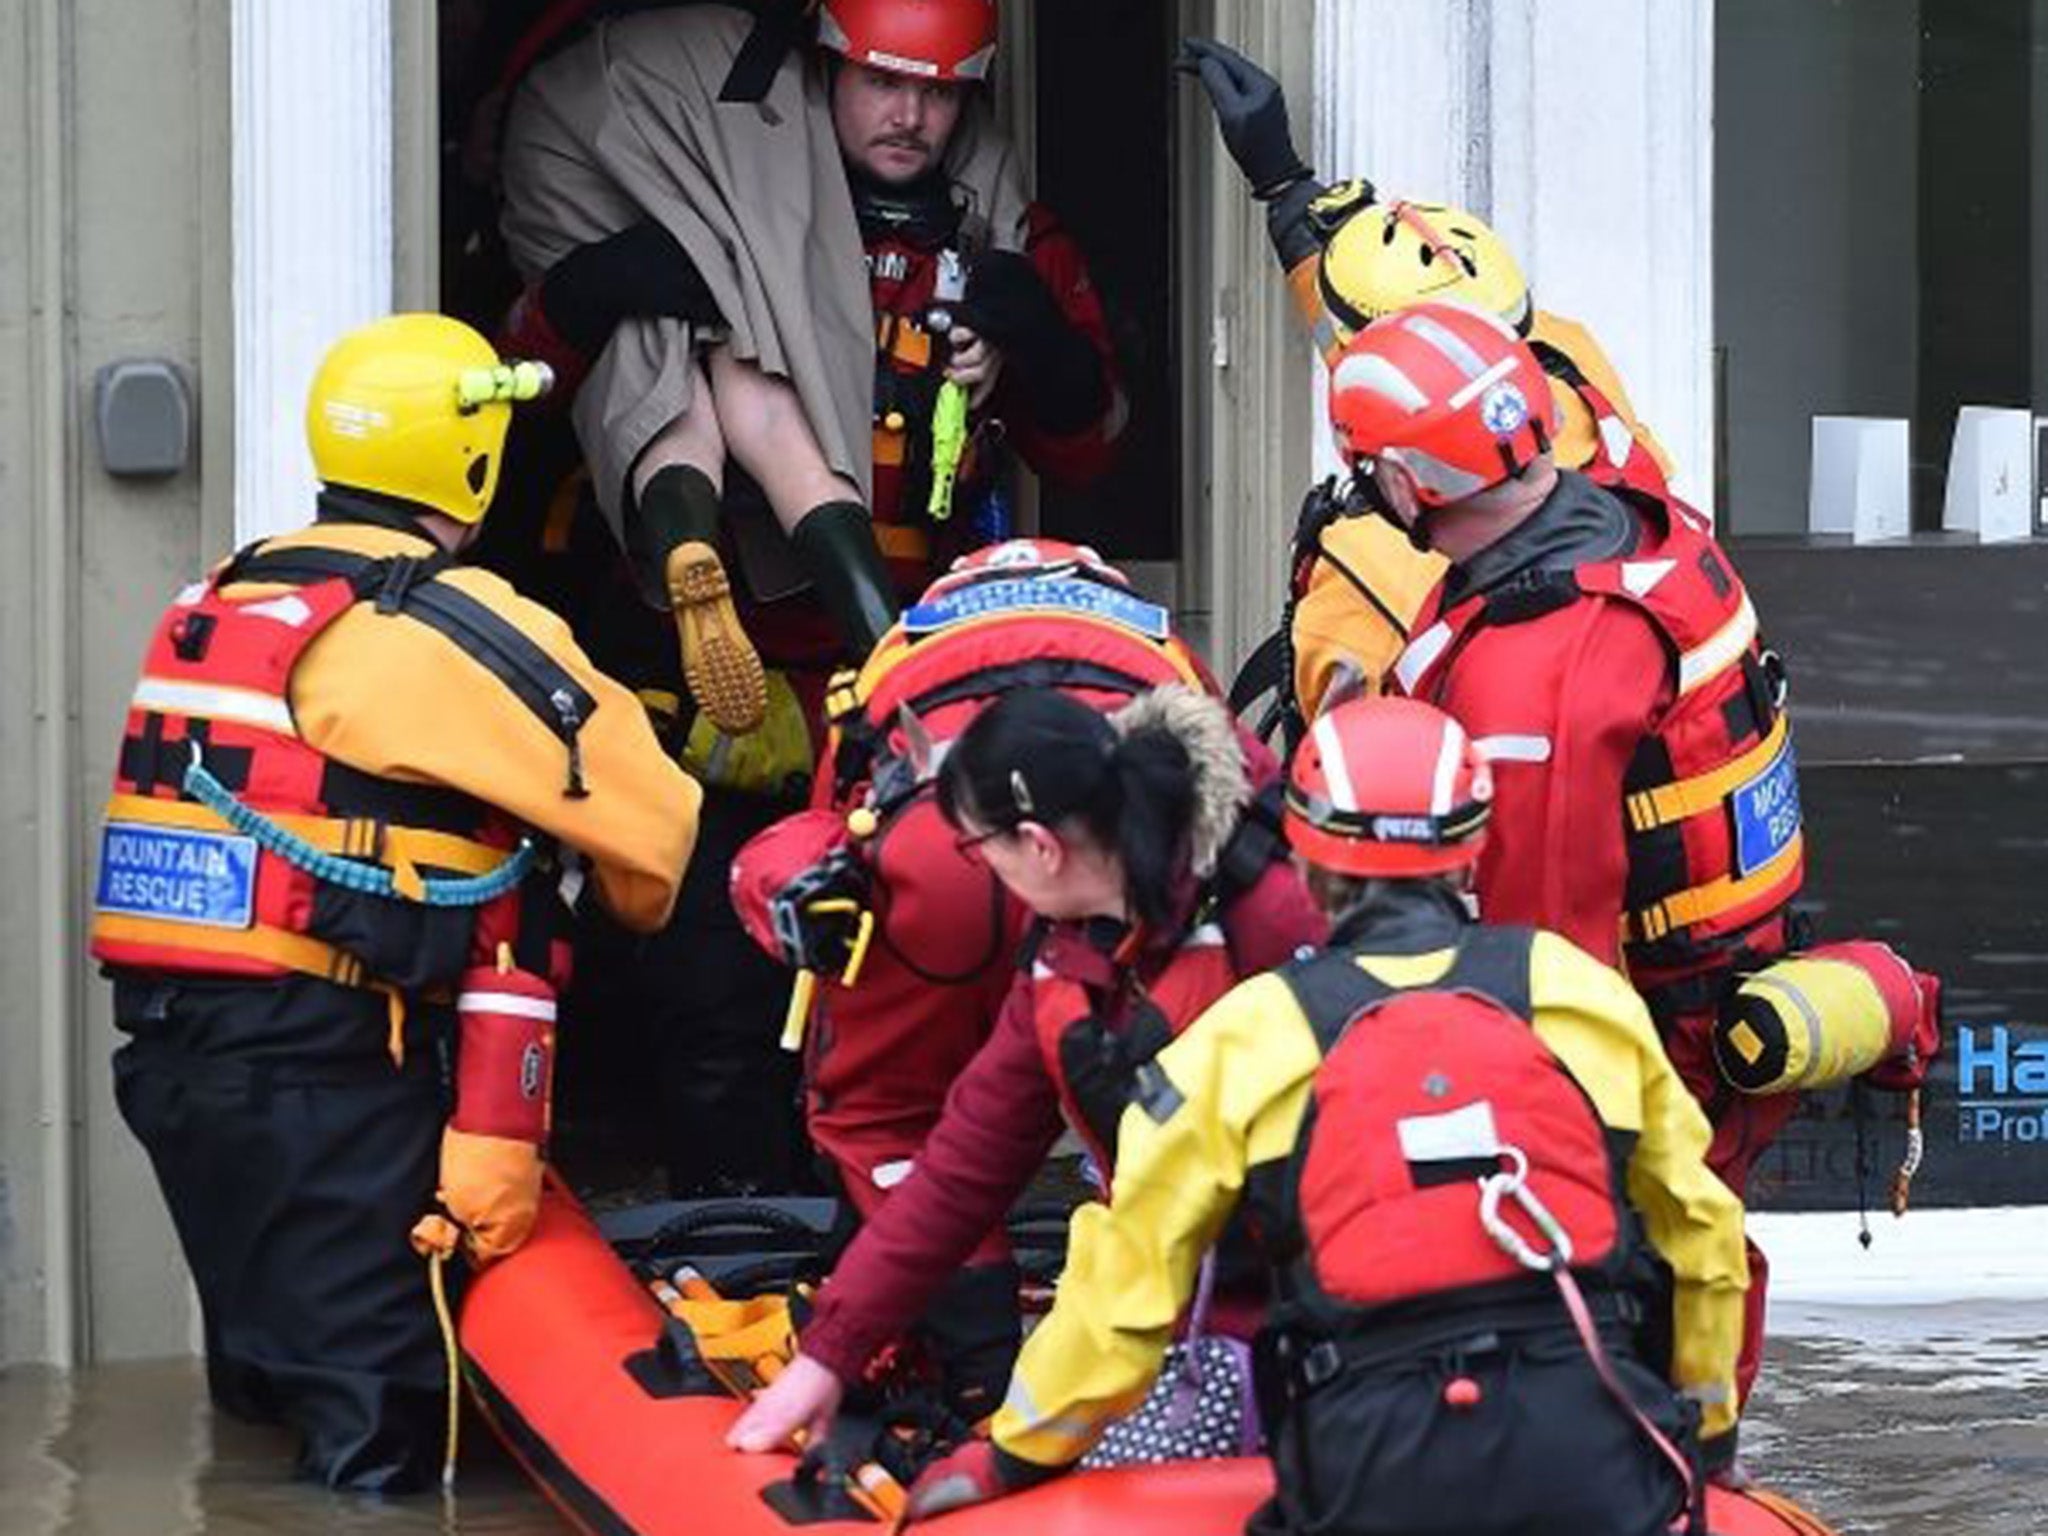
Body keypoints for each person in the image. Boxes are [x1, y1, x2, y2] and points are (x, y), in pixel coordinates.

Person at [879, 694, 1748, 1533]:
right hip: (1589, 1461)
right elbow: (1702, 1237)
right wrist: (1708, 1442)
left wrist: (1010, 1456)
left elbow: (1125, 1295)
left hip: (1366, 1471)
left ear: (1304, 850)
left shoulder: (1246, 1039)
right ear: (1474, 846)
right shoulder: (1580, 997)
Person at [89, 314, 699, 1492]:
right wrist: (616, 908)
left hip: (173, 1068)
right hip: (331, 1079)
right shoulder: (443, 627)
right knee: (384, 1443)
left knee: (264, 1402)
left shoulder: (219, 594)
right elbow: (655, 832)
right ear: (473, 463)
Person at [1323, 298, 1801, 1402]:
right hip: (1708, 988)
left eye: (1369, 474)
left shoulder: (1534, 671)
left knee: (1636, 1283)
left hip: (1642, 1044)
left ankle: (1668, 1464)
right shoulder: (1637, 517)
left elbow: (1538, 963)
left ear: (1404, 487)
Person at [727, 678, 1323, 1452]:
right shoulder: (1067, 963)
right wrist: (830, 1355)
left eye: (979, 850)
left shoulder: (1277, 921)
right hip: (1178, 1324)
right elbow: (963, 1163)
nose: (981, 872)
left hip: (1326, 1327)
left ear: (1039, 846)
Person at [498, 0, 1122, 735]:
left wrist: (1041, 338)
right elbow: (518, 400)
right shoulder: (718, 191)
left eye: (940, 92)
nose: (910, 116)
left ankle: (887, 657)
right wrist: (585, 294)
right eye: (882, 84)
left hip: (913, 621)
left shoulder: (1001, 236)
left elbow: (1088, 454)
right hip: (694, 657)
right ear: (826, 65)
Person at [1179, 37, 1671, 724]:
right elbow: (1433, 348)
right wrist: (1286, 185)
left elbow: (1346, 795)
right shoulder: (1571, 365)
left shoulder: (1364, 574)